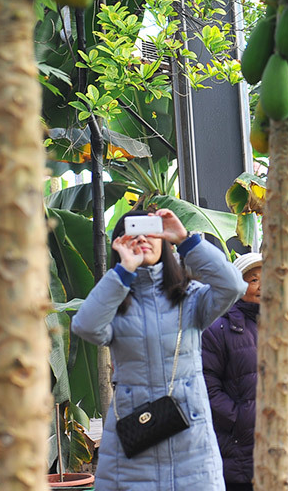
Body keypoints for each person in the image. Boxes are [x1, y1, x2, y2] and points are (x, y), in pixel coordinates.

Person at [71, 209, 246, 490]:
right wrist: (122, 273)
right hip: (132, 441)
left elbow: (233, 286)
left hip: (191, 442)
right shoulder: (114, 300)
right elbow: (85, 325)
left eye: (151, 231)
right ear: (119, 244)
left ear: (164, 241)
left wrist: (186, 241)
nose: (143, 239)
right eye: (133, 233)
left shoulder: (190, 296)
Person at [202, 253, 288, 491]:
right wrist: (241, 418)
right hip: (243, 451)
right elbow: (207, 387)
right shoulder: (218, 329)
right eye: (253, 280)